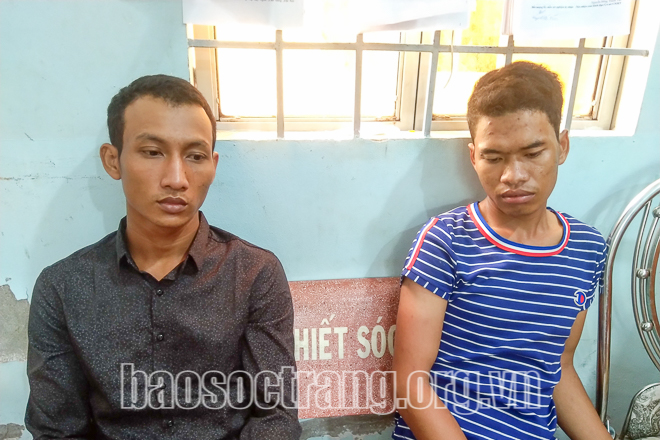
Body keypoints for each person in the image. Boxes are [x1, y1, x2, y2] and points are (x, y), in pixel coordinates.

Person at [25, 74, 301, 439]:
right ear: (113, 161)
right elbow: (57, 429)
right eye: (153, 152)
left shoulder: (254, 273)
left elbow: (276, 415)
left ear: (213, 165)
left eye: (195, 156)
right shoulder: (63, 287)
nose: (176, 178)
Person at [392, 61, 611, 440]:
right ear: (473, 156)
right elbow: (410, 384)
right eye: (494, 158)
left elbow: (558, 367)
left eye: (533, 153)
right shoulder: (446, 241)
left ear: (562, 146)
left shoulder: (587, 249)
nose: (513, 176)